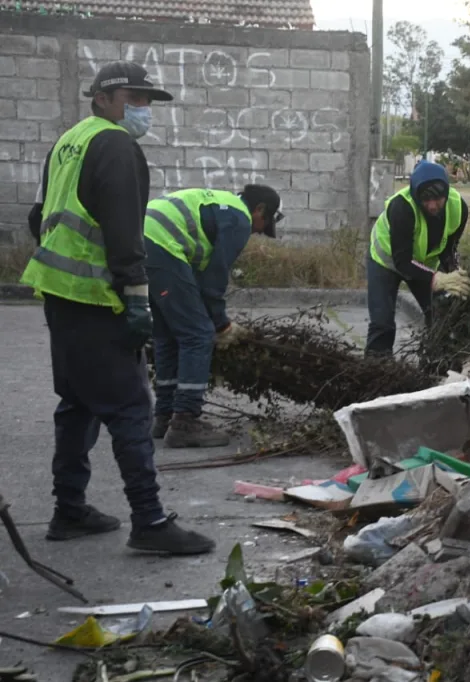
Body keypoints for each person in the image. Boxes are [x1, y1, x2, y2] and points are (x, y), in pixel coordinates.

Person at [20, 61, 215, 555]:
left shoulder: (70, 141)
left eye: (147, 101)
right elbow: (126, 233)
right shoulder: (116, 145)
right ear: (104, 98)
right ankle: (149, 521)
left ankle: (69, 509)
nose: (143, 109)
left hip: (59, 295)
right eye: (134, 98)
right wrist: (135, 301)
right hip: (95, 298)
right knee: (131, 407)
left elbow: (36, 214)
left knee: (80, 402)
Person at [146, 185, 282, 448]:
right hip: (162, 242)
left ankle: (164, 415)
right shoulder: (239, 217)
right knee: (198, 335)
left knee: (168, 333)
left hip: (143, 238)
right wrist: (221, 325)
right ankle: (185, 421)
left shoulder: (220, 205)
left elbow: (198, 280)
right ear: (260, 209)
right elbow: (214, 279)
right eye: (262, 226)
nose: (256, 232)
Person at [366, 161, 470, 356]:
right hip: (386, 262)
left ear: (447, 192)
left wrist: (454, 274)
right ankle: (376, 366)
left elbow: (449, 249)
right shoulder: (402, 208)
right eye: (425, 200)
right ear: (415, 195)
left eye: (438, 199)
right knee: (382, 322)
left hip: (421, 266)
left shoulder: (459, 208)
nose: (432, 206)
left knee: (440, 313)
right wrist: (437, 279)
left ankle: (433, 365)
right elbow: (403, 262)